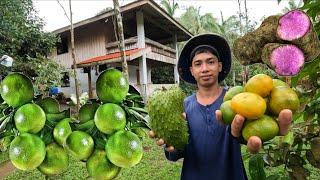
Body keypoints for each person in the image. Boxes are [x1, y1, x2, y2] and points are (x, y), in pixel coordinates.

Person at [149, 33, 292, 180]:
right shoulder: (184, 106)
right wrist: (170, 145)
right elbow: (175, 153)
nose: (204, 68)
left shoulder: (238, 100)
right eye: (198, 64)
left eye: (210, 62)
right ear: (192, 70)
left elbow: (247, 131)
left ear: (219, 66)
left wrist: (260, 132)